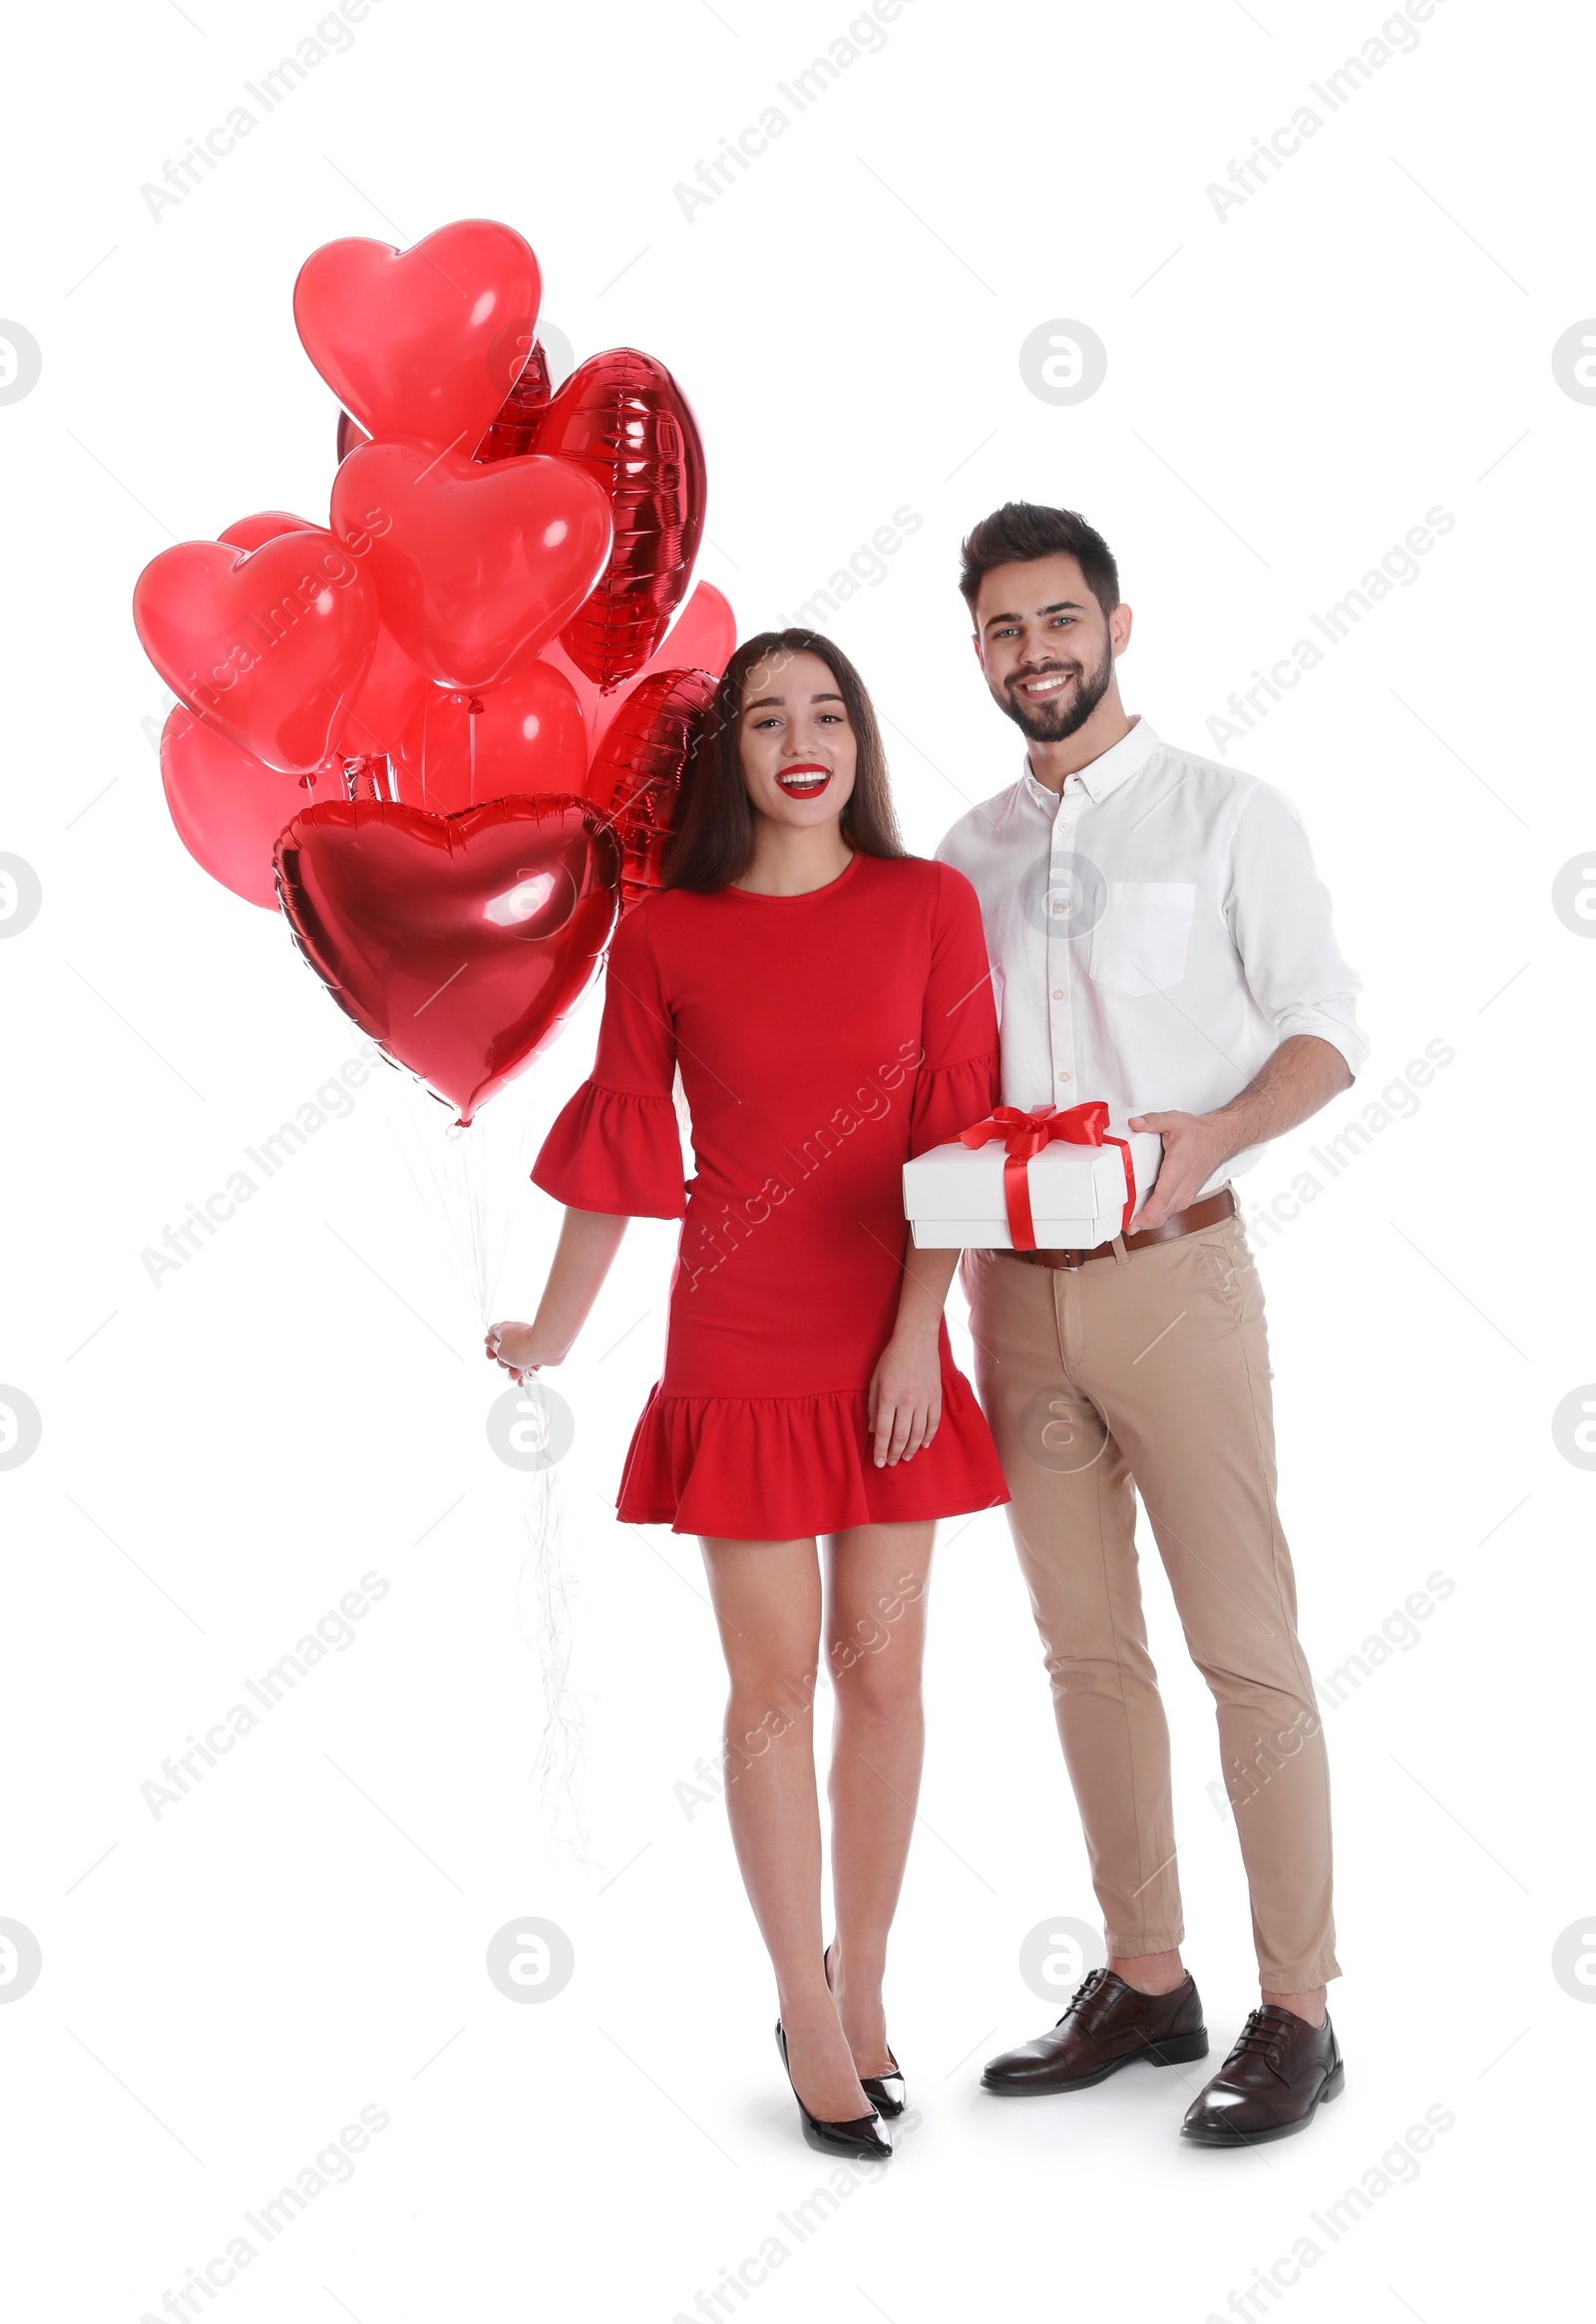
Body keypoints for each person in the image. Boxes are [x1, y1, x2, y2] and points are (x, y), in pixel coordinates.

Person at [486, 629, 1009, 2160]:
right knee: (775, 1685)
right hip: (742, 1334)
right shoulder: (665, 936)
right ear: (731, 755)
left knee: (889, 1678)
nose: (801, 737)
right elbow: (625, 1150)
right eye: (767, 715)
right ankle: (801, 1999)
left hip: (888, 1325)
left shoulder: (930, 904)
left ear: (860, 738)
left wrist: (920, 1335)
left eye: (828, 710)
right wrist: (555, 1330)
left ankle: (869, 1982)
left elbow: (961, 1137)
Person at [938, 503, 1365, 2145]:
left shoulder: (1227, 816)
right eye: (1002, 631)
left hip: (1178, 1271)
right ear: (976, 652)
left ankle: (1303, 2011)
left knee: (1243, 1644)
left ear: (1119, 622)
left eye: (1059, 620)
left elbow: (1331, 1029)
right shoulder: (963, 853)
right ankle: (1147, 1978)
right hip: (1011, 1294)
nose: (1035, 653)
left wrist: (1214, 1134)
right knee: (1082, 1650)